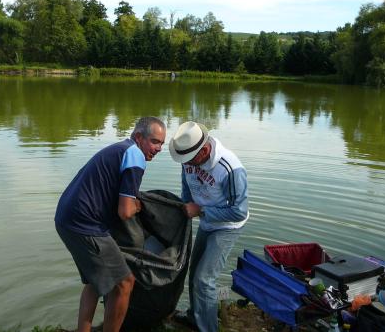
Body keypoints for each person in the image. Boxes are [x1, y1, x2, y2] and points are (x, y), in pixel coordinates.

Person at [55, 116, 166, 332]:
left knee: (93, 283)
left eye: (162, 143)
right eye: (154, 141)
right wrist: (137, 206)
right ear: (138, 137)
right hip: (85, 224)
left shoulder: (120, 149)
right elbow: (125, 211)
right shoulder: (135, 156)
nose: (159, 148)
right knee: (125, 283)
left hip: (65, 219)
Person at [169, 121, 249, 332]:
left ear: (204, 150)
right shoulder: (188, 157)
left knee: (204, 279)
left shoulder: (230, 168)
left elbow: (238, 211)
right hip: (206, 220)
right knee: (194, 271)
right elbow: (187, 187)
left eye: (190, 160)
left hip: (227, 226)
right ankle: (196, 318)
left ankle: (208, 328)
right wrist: (185, 208)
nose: (188, 165)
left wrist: (201, 211)